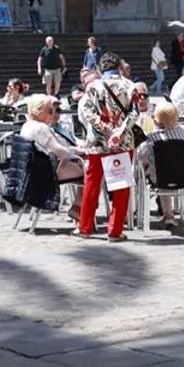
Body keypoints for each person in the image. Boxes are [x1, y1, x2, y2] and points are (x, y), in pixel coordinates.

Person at [76, 53, 138, 239]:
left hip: (97, 142)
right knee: (121, 185)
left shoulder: (93, 86)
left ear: (101, 68)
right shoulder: (129, 85)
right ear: (119, 66)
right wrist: (119, 131)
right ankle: (115, 230)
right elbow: (134, 113)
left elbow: (87, 111)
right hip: (123, 142)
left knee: (92, 183)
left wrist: (105, 129)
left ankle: (85, 227)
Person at [135, 101, 184, 224]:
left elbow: (141, 156)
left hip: (161, 179)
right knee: (166, 170)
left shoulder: (151, 137)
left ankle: (168, 215)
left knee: (161, 171)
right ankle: (171, 215)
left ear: (157, 120)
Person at [18, 94, 85, 181]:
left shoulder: (26, 126)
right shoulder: (40, 128)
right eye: (50, 111)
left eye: (56, 110)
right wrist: (79, 152)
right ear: (38, 111)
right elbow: (60, 152)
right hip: (46, 174)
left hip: (32, 172)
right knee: (89, 169)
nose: (53, 114)